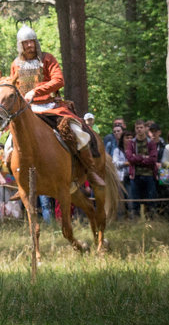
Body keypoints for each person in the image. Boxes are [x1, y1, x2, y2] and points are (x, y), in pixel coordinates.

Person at [10, 25, 105, 186]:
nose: (29, 45)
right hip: (28, 111)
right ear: (20, 45)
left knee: (77, 133)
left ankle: (90, 171)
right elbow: (14, 87)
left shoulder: (47, 59)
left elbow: (58, 80)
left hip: (51, 107)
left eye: (32, 42)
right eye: (25, 43)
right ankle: (20, 183)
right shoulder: (16, 64)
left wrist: (36, 92)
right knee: (10, 145)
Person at [125, 119, 158, 218]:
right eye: (137, 128)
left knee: (150, 201)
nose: (139, 130)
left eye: (141, 127)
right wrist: (143, 157)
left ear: (145, 128)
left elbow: (153, 159)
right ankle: (136, 223)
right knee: (135, 201)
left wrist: (137, 158)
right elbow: (130, 158)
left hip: (149, 175)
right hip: (135, 176)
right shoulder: (131, 143)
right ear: (135, 129)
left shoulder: (151, 143)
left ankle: (151, 223)